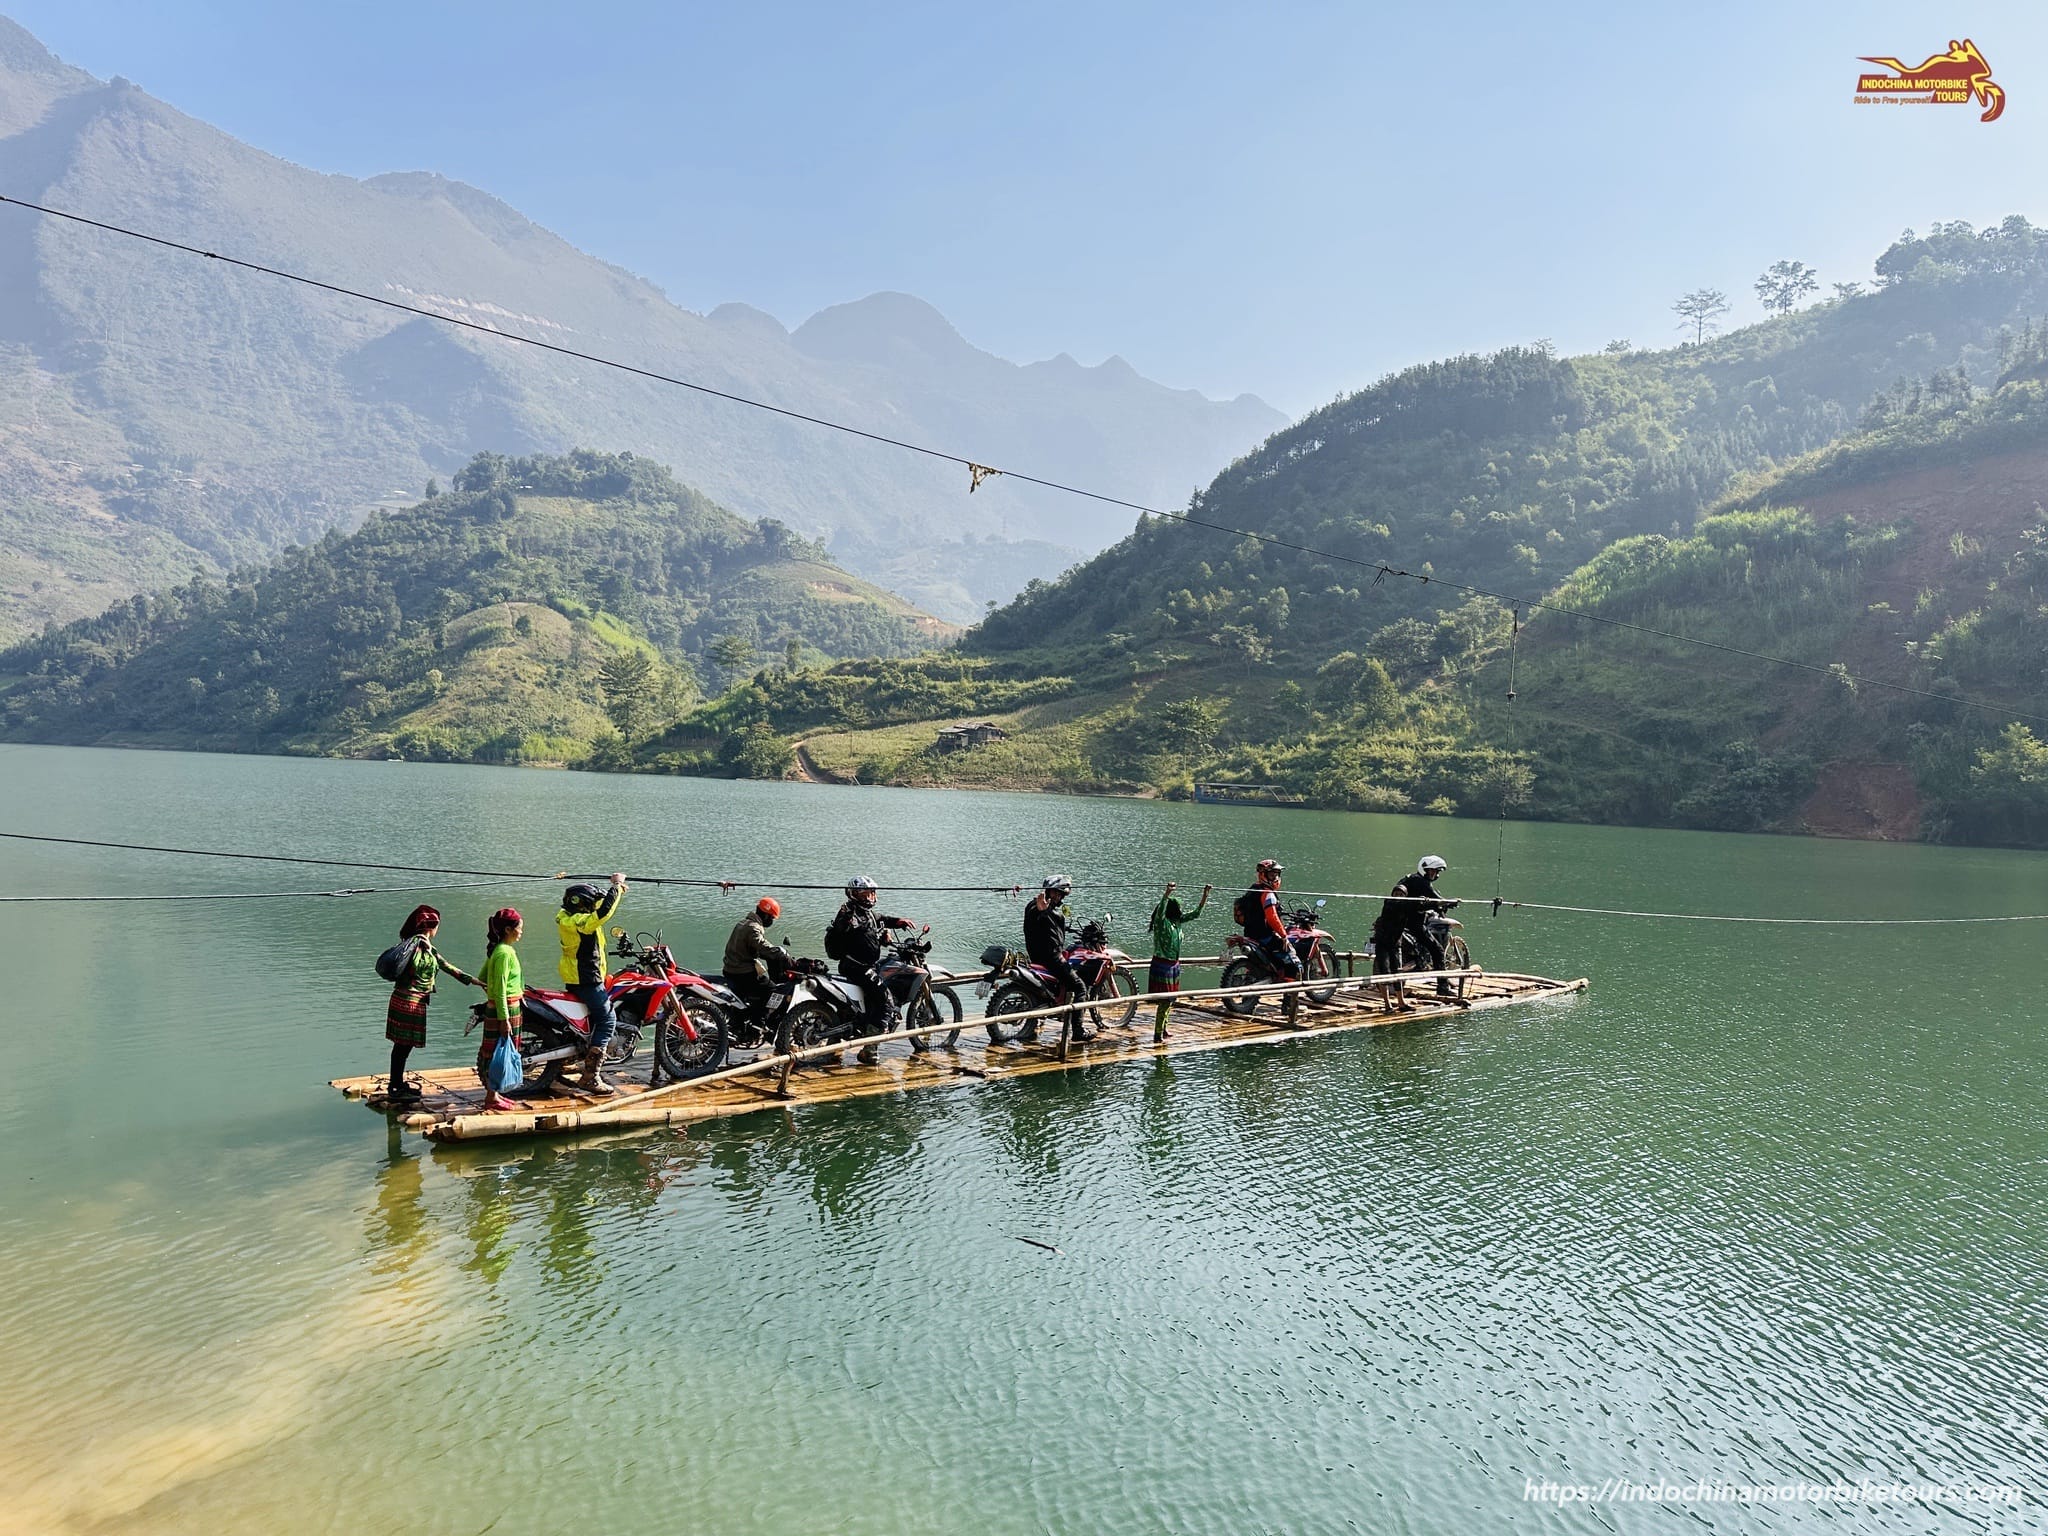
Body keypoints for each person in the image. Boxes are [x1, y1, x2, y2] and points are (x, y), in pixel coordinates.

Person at [382, 904, 481, 1104]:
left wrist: (472, 980)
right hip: (411, 1001)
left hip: (404, 998)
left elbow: (444, 965)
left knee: (402, 1046)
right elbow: (435, 966)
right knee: (403, 1046)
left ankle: (397, 1084)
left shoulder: (415, 944)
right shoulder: (420, 947)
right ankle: (395, 1087)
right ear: (430, 927)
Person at [825, 876, 919, 1064]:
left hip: (861, 965)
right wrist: (846, 919)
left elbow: (882, 919)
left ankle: (842, 1037)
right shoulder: (850, 914)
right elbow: (849, 932)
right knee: (886, 1001)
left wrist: (899, 921)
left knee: (874, 995)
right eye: (866, 893)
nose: (870, 897)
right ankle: (870, 1050)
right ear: (854, 894)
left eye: (872, 893)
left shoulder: (866, 914)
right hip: (857, 967)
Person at [557, 873, 627, 1093]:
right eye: (590, 903)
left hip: (574, 976)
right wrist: (616, 886)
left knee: (588, 1017)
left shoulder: (565, 916)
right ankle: (590, 1076)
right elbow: (603, 913)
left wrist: (614, 892)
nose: (593, 906)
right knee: (607, 1019)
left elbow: (600, 906)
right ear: (584, 905)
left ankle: (571, 1057)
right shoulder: (582, 923)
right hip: (587, 978)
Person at [1371, 855, 1457, 1009]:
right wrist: (1449, 902)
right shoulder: (1420, 882)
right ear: (1425, 870)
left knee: (1392, 964)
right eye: (1433, 871)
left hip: (1400, 922)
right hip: (1412, 923)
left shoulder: (1409, 880)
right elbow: (1436, 898)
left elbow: (1428, 901)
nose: (1435, 875)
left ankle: (1396, 1001)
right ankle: (1442, 987)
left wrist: (1431, 904)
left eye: (1437, 872)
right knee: (1437, 950)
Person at [1020, 875, 1084, 1043]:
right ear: (1054, 893)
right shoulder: (1043, 909)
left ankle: (1041, 1017)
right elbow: (1041, 914)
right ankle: (1078, 1031)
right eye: (1060, 894)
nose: (1061, 898)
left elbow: (1047, 923)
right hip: (1052, 958)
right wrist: (1044, 910)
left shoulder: (1034, 906)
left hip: (1035, 957)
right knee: (1079, 987)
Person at [722, 896, 793, 1044]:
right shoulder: (753, 927)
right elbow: (761, 946)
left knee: (758, 990)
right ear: (766, 915)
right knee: (773, 991)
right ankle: (757, 1023)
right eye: (772, 918)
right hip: (742, 972)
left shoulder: (743, 923)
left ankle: (745, 1022)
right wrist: (780, 952)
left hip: (731, 968)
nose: (771, 921)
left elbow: (754, 948)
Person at [1147, 880, 1211, 1043]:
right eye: (1179, 908)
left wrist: (1205, 895)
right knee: (1164, 1001)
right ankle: (1157, 1034)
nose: (1181, 911)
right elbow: (1160, 912)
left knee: (1171, 1000)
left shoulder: (1177, 922)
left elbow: (1196, 913)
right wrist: (1167, 894)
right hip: (1162, 965)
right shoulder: (1162, 923)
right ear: (1172, 910)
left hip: (1174, 965)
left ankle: (1165, 1028)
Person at [477, 907, 524, 1112]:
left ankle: (494, 1094)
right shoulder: (505, 953)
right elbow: (502, 988)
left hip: (496, 1007)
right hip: (506, 1009)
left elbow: (482, 978)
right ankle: (491, 1096)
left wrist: (492, 994)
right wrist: (504, 1017)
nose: (521, 932)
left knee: (495, 1052)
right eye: (519, 928)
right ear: (508, 929)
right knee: (499, 1053)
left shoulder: (497, 950)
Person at [1234, 858, 1301, 984]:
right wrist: (1283, 935)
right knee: (1293, 963)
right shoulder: (1268, 894)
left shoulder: (1253, 889)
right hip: (1265, 936)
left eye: (1276, 874)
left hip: (1250, 933)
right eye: (1272, 874)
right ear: (1263, 874)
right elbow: (1272, 917)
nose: (1275, 877)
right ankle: (1288, 1000)